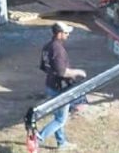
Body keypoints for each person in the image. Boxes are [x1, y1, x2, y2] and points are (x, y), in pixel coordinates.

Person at [37, 21, 86, 150]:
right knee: (60, 120)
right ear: (59, 34)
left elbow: (43, 67)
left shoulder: (47, 46)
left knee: (58, 116)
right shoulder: (57, 49)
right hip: (59, 89)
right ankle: (38, 138)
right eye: (66, 32)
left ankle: (61, 143)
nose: (68, 35)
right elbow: (62, 72)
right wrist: (77, 72)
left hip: (50, 85)